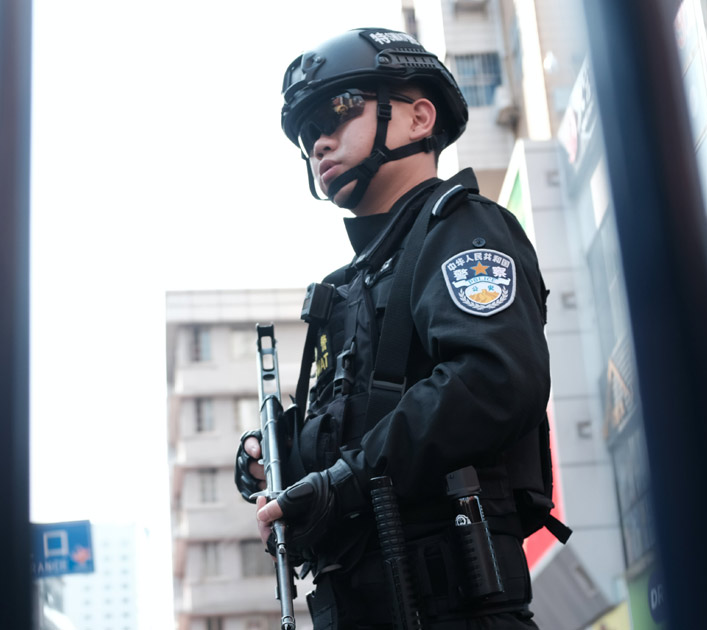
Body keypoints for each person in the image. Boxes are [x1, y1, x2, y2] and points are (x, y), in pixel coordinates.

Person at [235, 27, 567, 629]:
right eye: (307, 132)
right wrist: (279, 456)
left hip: (457, 610)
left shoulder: (463, 229)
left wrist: (345, 480)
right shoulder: (345, 287)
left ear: (418, 118)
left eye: (339, 110)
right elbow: (365, 424)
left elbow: (493, 379)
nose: (320, 140)